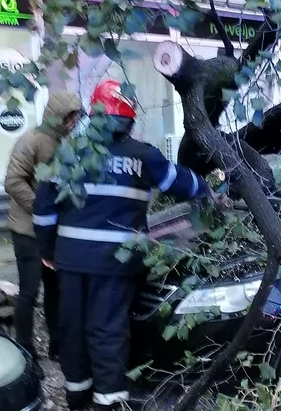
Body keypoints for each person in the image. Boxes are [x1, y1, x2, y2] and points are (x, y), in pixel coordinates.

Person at [33, 79, 216, 411]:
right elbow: (180, 182)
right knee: (107, 330)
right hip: (115, 263)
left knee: (72, 327)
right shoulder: (142, 155)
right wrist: (210, 189)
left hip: (71, 260)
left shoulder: (69, 154)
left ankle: (77, 395)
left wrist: (47, 251)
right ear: (130, 118)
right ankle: (107, 401)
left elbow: (44, 210)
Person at [4, 92, 82, 364]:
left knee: (55, 291)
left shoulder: (65, 144)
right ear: (58, 116)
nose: (74, 122)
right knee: (28, 292)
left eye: (76, 117)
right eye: (70, 116)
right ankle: (24, 349)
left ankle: (58, 346)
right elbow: (13, 182)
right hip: (27, 232)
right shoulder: (31, 141)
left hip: (53, 233)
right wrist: (41, 209)